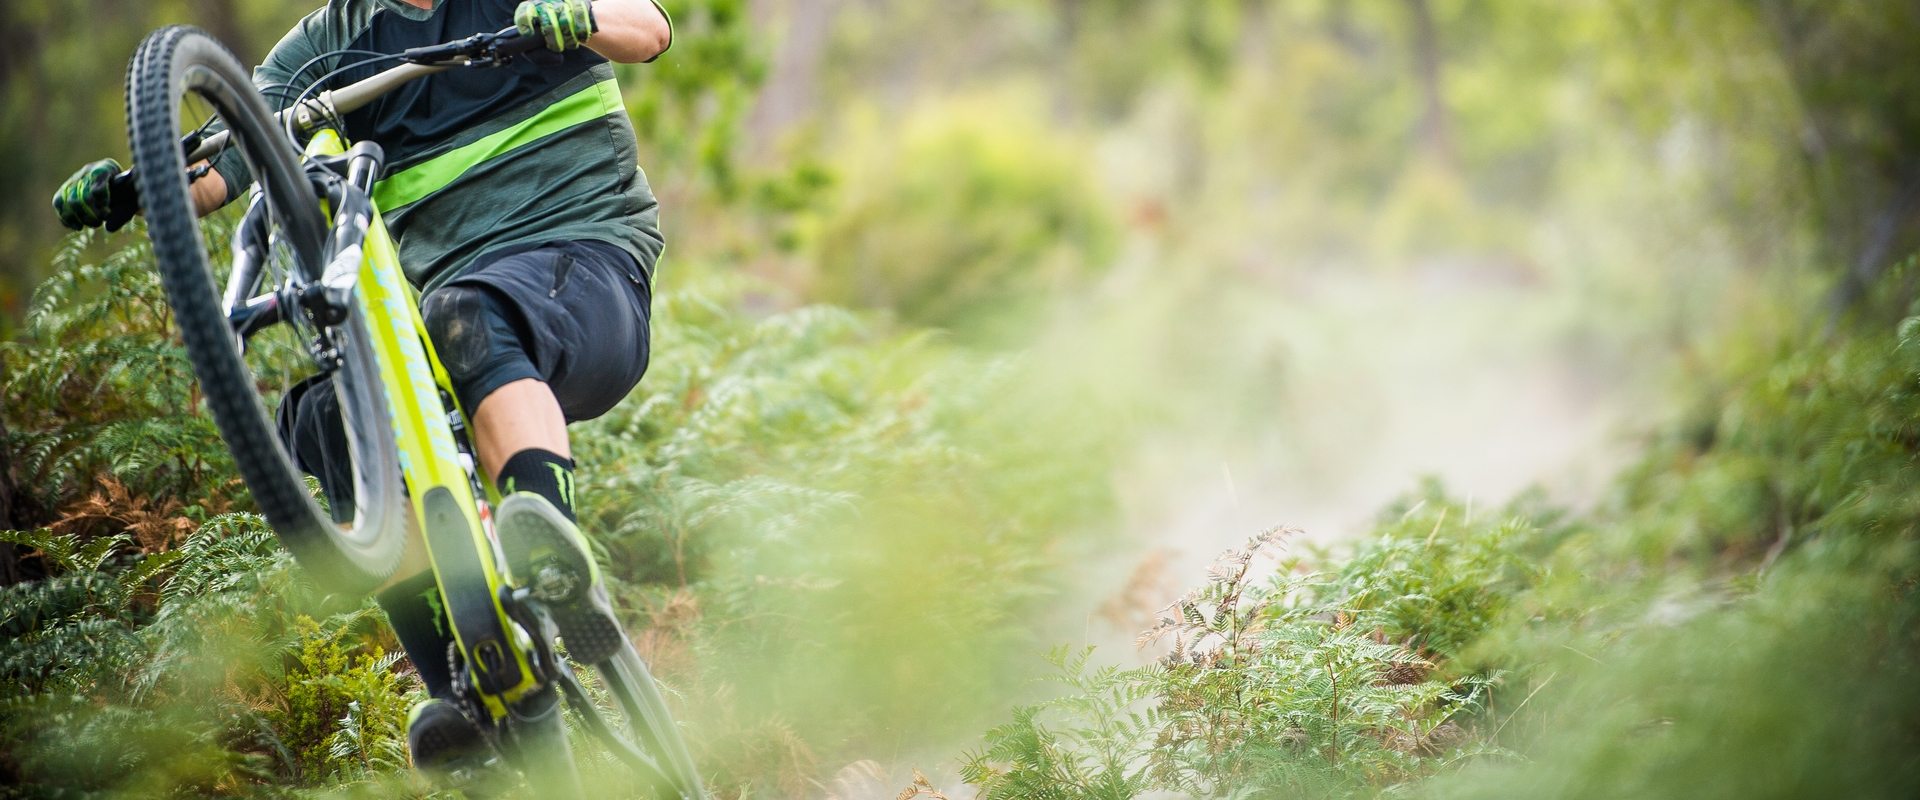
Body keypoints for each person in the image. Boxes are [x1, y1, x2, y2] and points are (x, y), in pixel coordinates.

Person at [51, 0, 673, 775]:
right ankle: (461, 685)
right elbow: (219, 170)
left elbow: (648, 28)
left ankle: (552, 566)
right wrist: (137, 186)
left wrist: (575, 16)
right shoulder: (323, 47)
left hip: (587, 264)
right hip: (452, 317)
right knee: (323, 416)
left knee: (467, 310)